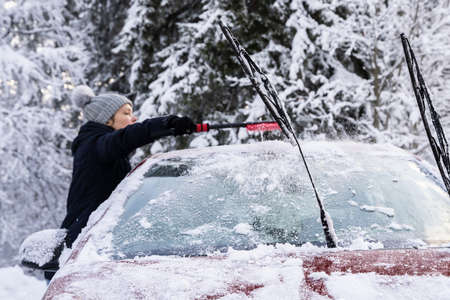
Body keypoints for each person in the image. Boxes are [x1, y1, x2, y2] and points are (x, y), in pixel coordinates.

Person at [60, 85, 196, 248]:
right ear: (107, 120)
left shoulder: (104, 151)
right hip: (82, 245)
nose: (133, 118)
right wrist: (167, 123)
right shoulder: (95, 145)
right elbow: (127, 137)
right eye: (126, 113)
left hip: (100, 240)